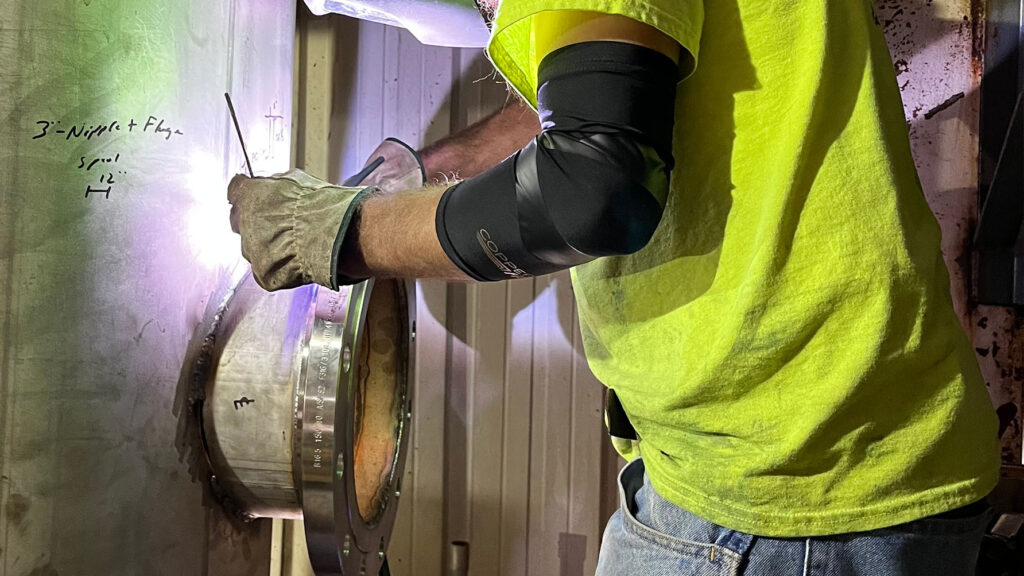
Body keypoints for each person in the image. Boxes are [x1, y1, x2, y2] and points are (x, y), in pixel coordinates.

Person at [228, 2, 1002, 574]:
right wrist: (431, 169)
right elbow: (610, 79)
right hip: (863, 445)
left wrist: (340, 234)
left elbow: (592, 189)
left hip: (781, 489)